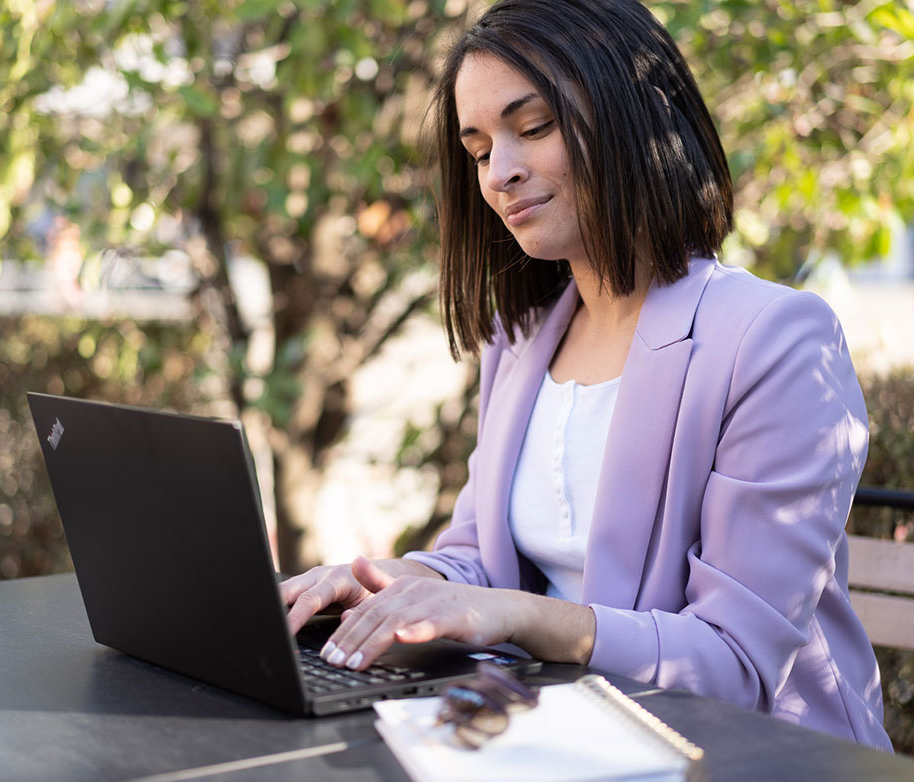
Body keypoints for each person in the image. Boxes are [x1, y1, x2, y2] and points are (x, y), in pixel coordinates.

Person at [280, 0, 892, 751]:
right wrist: (387, 582)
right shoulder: (524, 338)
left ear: (634, 120)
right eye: (477, 150)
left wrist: (513, 615)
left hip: (751, 754)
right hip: (561, 731)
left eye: (532, 127)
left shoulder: (773, 340)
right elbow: (480, 551)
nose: (500, 172)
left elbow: (735, 664)